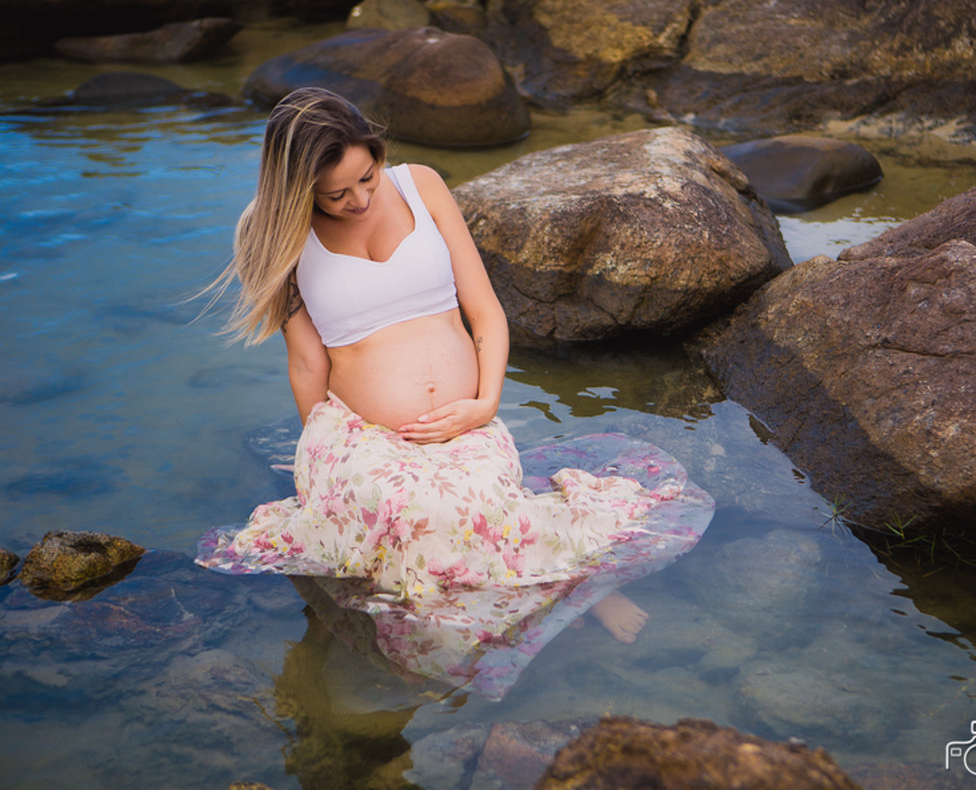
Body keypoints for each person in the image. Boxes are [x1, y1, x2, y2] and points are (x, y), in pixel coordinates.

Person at [196, 87, 713, 696]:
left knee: (475, 510)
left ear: (376, 150)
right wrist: (321, 461)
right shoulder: (272, 233)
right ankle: (530, 608)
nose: (361, 199)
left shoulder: (423, 186)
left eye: (368, 175)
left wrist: (485, 403)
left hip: (466, 414)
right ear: (297, 190)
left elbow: (486, 315)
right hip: (361, 433)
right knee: (411, 515)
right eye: (337, 194)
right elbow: (308, 363)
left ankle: (584, 588)